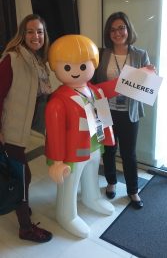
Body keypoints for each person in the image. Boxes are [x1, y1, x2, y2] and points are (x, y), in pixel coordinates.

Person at [45, 34, 118, 238]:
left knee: (91, 175)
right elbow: (55, 132)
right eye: (68, 67)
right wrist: (57, 161)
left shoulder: (93, 90)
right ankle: (66, 214)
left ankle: (91, 197)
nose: (76, 72)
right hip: (70, 153)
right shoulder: (58, 101)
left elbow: (112, 87)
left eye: (83, 66)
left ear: (92, 65)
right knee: (70, 184)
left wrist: (140, 77)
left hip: (94, 145)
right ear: (56, 67)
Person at [92, 11, 156, 209]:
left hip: (130, 112)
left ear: (128, 29)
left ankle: (133, 191)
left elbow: (147, 84)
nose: (117, 33)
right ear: (108, 33)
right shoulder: (102, 54)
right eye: (112, 29)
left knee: (129, 153)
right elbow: (94, 82)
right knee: (108, 150)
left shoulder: (140, 54)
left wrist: (151, 74)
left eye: (121, 28)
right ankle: (111, 182)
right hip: (104, 110)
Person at [0, 14, 52, 242]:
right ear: (22, 34)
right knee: (20, 177)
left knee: (22, 175)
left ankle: (20, 204)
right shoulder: (12, 59)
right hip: (11, 130)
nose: (36, 36)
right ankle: (25, 228)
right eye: (30, 31)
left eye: (39, 31)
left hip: (26, 132)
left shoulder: (38, 61)